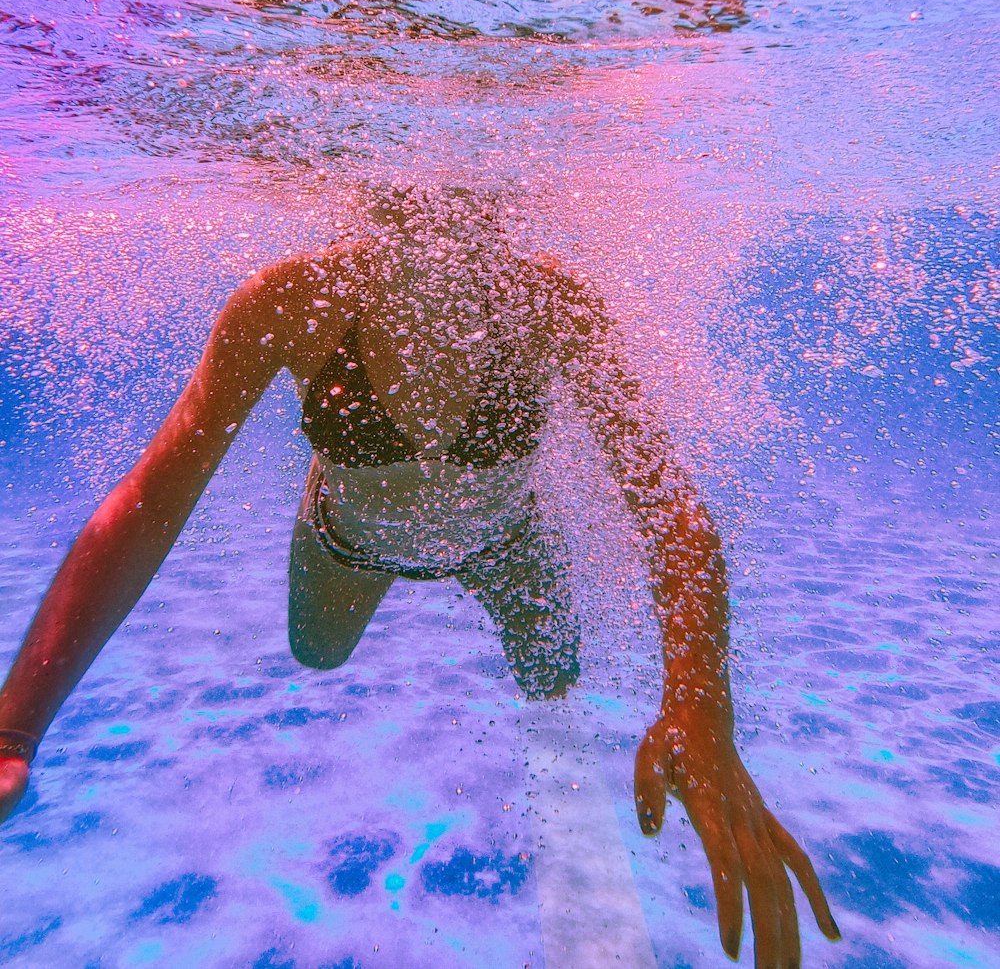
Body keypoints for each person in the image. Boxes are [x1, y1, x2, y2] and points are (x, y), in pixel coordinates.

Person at [0, 181, 839, 967]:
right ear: (364, 181)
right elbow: (149, 502)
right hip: (349, 541)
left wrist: (697, 697)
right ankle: (327, 496)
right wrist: (14, 727)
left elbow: (668, 506)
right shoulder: (293, 301)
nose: (443, 200)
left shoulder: (553, 307)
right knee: (317, 653)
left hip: (508, 540)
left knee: (552, 679)